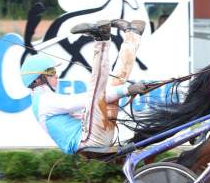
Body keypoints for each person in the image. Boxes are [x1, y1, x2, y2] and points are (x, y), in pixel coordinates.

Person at [20, 19, 147, 155]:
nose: (57, 75)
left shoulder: (45, 99)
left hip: (97, 136)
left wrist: (124, 90)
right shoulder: (44, 102)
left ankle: (133, 35)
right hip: (88, 140)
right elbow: (89, 100)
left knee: (116, 81)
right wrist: (126, 91)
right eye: (51, 72)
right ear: (37, 80)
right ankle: (101, 39)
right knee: (96, 91)